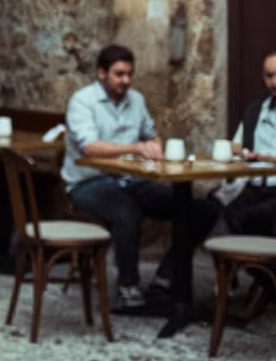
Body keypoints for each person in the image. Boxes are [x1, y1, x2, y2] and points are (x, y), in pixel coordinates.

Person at [61, 45, 219, 309]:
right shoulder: (82, 101)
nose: (126, 80)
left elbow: (150, 133)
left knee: (201, 208)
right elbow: (90, 148)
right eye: (119, 74)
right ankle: (128, 287)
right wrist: (136, 148)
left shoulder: (136, 99)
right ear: (102, 73)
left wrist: (154, 144)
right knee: (127, 212)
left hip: (131, 180)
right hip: (88, 182)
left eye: (130, 74)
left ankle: (166, 279)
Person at [223, 50, 276, 312]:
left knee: (256, 217)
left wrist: (264, 156)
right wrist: (241, 153)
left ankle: (265, 283)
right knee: (223, 214)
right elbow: (236, 144)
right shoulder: (255, 111)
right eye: (269, 76)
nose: (274, 82)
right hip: (254, 188)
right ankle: (258, 281)